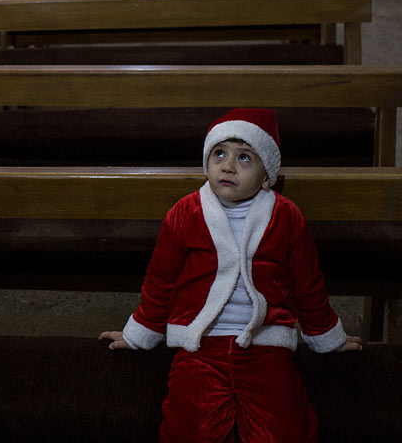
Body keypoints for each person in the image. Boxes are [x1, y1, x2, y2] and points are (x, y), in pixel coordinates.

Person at [99, 108, 362, 443]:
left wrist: (327, 337)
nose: (228, 165)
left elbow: (308, 285)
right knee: (185, 425)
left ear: (267, 176)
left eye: (245, 158)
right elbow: (160, 281)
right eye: (219, 153)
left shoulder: (287, 217)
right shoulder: (185, 213)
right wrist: (141, 332)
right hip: (199, 344)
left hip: (265, 344)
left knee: (286, 427)